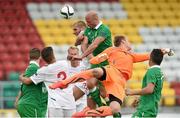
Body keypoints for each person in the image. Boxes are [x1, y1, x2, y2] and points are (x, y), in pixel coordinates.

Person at [49, 35, 151, 117]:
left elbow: (148, 56)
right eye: (128, 41)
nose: (130, 43)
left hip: (120, 82)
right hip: (113, 72)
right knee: (96, 72)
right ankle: (63, 83)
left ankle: (87, 113)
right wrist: (96, 58)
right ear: (123, 42)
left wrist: (163, 51)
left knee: (115, 109)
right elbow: (95, 59)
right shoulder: (113, 50)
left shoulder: (132, 55)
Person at [19, 47, 76, 117]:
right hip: (69, 101)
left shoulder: (44, 71)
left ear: (42, 59)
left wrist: (21, 77)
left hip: (55, 104)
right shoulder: (64, 63)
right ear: (53, 55)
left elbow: (27, 81)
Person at [125, 49, 167, 117]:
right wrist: (141, 98)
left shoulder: (151, 71)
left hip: (145, 110)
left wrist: (132, 92)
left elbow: (149, 90)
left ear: (150, 58)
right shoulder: (159, 72)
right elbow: (154, 90)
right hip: (151, 108)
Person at [16, 48, 48, 118]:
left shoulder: (28, 70)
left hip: (26, 104)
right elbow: (27, 82)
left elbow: (22, 88)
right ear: (40, 57)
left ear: (29, 57)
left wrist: (17, 102)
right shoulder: (34, 69)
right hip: (31, 105)